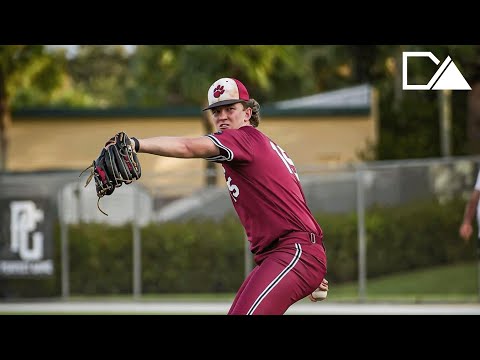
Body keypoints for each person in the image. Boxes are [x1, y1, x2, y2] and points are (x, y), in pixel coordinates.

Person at [129, 77, 328, 315]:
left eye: (230, 108)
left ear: (247, 113)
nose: (222, 116)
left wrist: (135, 144)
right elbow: (291, 202)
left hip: (292, 251)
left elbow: (187, 147)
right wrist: (309, 262)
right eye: (216, 111)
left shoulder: (243, 139)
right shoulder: (256, 145)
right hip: (289, 254)